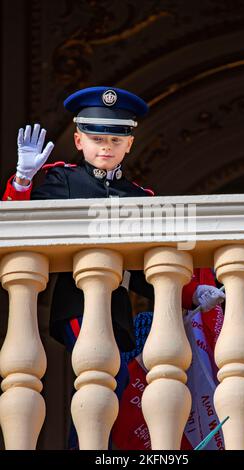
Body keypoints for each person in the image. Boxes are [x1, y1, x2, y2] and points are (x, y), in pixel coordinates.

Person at [2, 86, 225, 448]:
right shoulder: (64, 181)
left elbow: (146, 271)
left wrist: (191, 292)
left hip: (117, 308)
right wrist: (23, 180)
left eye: (115, 139)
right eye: (97, 138)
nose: (106, 146)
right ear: (79, 140)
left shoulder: (139, 197)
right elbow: (17, 226)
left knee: (114, 388)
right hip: (78, 302)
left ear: (129, 144)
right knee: (104, 375)